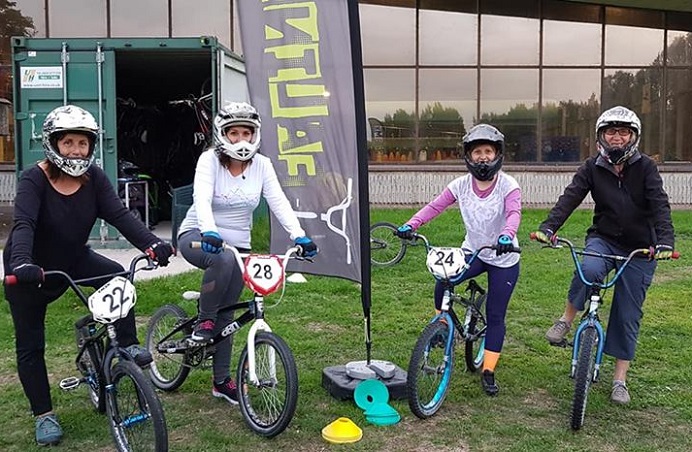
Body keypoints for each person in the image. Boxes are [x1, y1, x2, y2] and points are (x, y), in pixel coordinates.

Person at [3, 105, 175, 446]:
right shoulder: (32, 179)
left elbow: (119, 215)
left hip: (73, 258)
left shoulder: (94, 177)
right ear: (53, 144)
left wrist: (152, 243)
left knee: (117, 278)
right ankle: (44, 415)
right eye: (68, 143)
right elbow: (24, 224)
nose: (76, 150)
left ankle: (126, 346)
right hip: (30, 270)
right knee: (31, 346)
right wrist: (21, 264)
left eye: (83, 143)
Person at [177, 101, 317, 405]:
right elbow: (200, 198)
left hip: (239, 246)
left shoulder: (263, 165)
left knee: (229, 314)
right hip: (198, 236)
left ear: (256, 135)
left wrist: (300, 237)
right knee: (222, 264)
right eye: (234, 133)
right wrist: (210, 230)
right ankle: (204, 320)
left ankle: (221, 381)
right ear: (222, 134)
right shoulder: (209, 161)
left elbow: (279, 202)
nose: (241, 139)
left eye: (247, 133)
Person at [534, 105, 675, 405]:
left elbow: (660, 205)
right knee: (589, 269)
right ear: (600, 136)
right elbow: (570, 198)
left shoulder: (646, 167)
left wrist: (664, 241)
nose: (617, 137)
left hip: (640, 249)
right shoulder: (591, 167)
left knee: (627, 311)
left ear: (633, 137)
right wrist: (549, 227)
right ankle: (566, 320)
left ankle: (619, 380)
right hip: (604, 239)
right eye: (610, 131)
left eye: (624, 132)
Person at [395, 123, 521, 396]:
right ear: (469, 155)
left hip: (503, 256)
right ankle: (441, 325)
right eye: (477, 152)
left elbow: (514, 213)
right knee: (444, 278)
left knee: (495, 315)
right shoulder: (461, 185)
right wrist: (411, 224)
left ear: (497, 154)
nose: (483, 157)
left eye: (488, 151)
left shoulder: (508, 185)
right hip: (472, 250)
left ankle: (488, 370)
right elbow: (435, 206)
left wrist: (507, 235)